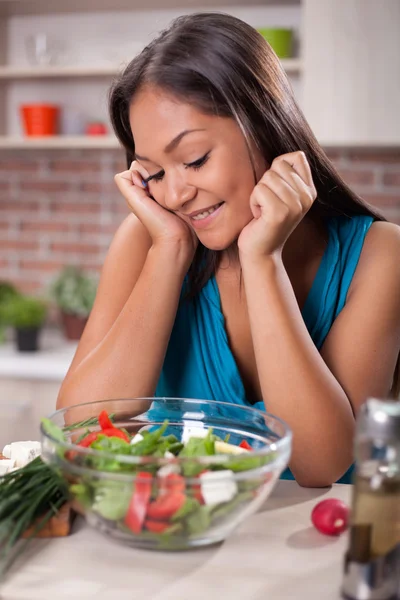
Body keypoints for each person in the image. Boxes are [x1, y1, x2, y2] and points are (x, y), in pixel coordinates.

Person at [57, 13, 400, 487]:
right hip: (173, 541)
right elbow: (79, 429)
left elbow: (322, 465)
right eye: (154, 173)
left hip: (310, 554)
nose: (174, 195)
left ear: (264, 123)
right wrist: (169, 251)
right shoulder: (146, 242)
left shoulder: (381, 256)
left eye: (194, 160)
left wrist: (263, 261)